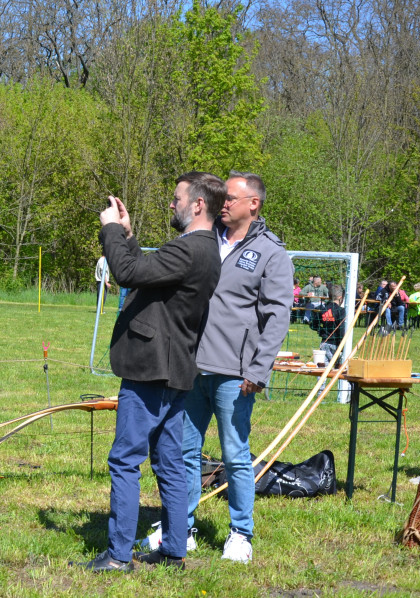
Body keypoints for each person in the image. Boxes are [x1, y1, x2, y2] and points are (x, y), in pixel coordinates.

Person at [138, 172, 292, 565]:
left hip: (235, 373)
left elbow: (277, 316)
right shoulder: (206, 241)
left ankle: (241, 533)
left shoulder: (272, 253)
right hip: (192, 366)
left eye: (232, 198)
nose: (223, 202)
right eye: (222, 196)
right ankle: (181, 527)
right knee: (184, 452)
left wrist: (259, 370)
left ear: (253, 204)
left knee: (236, 455)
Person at [74, 172, 224, 573]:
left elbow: (126, 273)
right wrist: (126, 234)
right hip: (174, 370)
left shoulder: (190, 248)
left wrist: (108, 231)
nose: (171, 203)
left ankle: (120, 555)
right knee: (171, 463)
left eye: (177, 197)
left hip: (151, 370)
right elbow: (145, 270)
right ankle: (174, 551)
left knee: (125, 460)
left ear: (198, 205)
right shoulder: (206, 249)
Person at [316, 284, 346, 358]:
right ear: (340, 297)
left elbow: (313, 324)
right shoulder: (341, 311)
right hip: (336, 344)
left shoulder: (323, 309)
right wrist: (343, 344)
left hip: (324, 343)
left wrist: (320, 330)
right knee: (336, 368)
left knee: (325, 367)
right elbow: (341, 329)